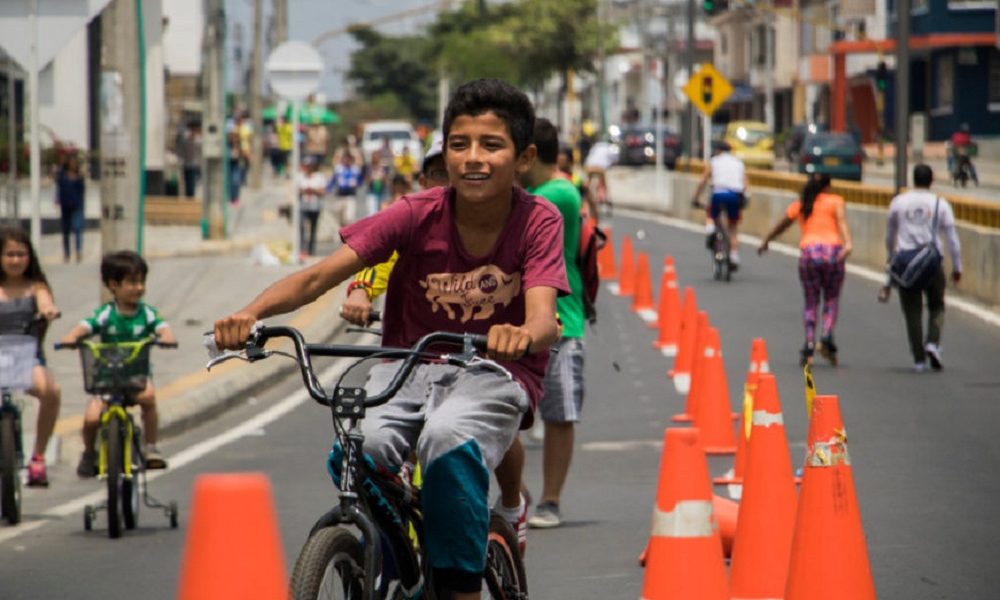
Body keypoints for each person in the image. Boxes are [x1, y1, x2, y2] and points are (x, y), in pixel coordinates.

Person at [214, 78, 566, 599]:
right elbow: (317, 277)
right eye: (459, 144)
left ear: (522, 157)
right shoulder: (414, 212)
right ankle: (397, 559)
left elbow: (544, 318)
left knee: (446, 439)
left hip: (495, 371)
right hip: (407, 367)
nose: (473, 158)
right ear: (443, 150)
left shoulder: (539, 219)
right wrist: (247, 315)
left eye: (491, 145)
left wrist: (520, 334)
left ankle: (459, 582)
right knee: (358, 448)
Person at [519, 118, 587, 530]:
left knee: (559, 414)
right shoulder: (530, 193)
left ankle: (550, 499)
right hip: (521, 319)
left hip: (563, 320)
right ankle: (520, 494)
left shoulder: (557, 195)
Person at [63, 251, 176, 476]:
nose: (139, 288)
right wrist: (71, 337)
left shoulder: (147, 314)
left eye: (141, 282)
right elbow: (86, 325)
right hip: (106, 379)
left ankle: (151, 446)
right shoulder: (106, 313)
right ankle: (88, 453)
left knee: (148, 398)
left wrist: (166, 338)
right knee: (92, 417)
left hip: (137, 377)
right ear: (113, 285)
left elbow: (163, 328)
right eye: (132, 282)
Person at [758, 173, 852, 366]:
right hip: (833, 254)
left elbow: (781, 225)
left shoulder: (801, 205)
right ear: (828, 186)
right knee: (831, 298)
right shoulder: (835, 201)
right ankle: (826, 333)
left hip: (809, 254)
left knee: (811, 301)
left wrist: (766, 241)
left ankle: (809, 341)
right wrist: (848, 243)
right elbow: (841, 222)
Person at [881, 164, 962, 372]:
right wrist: (957, 267)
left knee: (912, 312)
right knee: (936, 305)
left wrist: (891, 258)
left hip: (905, 264)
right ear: (931, 181)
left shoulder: (899, 202)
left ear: (913, 179)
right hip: (932, 263)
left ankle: (918, 359)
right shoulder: (939, 203)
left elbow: (889, 235)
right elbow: (952, 238)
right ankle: (933, 343)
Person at [0, 227, 62, 487]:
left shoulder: (36, 287)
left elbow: (46, 302)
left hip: (27, 355)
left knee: (51, 391)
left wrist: (48, 310)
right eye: (9, 254)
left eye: (21, 254)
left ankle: (38, 456)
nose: (15, 260)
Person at [691, 141, 750, 266]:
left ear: (718, 151)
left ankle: (711, 229)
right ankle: (734, 256)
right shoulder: (739, 163)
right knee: (732, 228)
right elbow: (746, 186)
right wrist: (744, 200)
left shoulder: (714, 161)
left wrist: (695, 198)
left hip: (718, 194)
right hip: (735, 195)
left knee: (711, 214)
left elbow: (702, 182)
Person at [55, 154, 86, 263]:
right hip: (65, 205)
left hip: (77, 205)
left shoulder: (80, 177)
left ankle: (78, 251)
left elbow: (82, 191)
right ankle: (67, 253)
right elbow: (58, 188)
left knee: (78, 228)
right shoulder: (62, 176)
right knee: (66, 230)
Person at [297, 157, 327, 258]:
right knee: (302, 227)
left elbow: (323, 192)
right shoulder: (300, 177)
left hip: (315, 206)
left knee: (313, 228)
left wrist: (314, 191)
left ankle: (311, 249)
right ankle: (302, 248)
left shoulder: (319, 177)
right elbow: (295, 190)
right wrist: (303, 191)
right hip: (303, 206)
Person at [327, 151, 362, 228]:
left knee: (349, 217)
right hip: (340, 195)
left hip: (350, 196)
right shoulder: (338, 169)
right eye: (345, 159)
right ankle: (341, 231)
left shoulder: (355, 169)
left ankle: (347, 234)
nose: (347, 161)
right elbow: (332, 180)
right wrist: (328, 189)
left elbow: (360, 181)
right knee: (338, 215)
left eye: (348, 159)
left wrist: (356, 183)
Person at [177, 121, 202, 198]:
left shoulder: (199, 139)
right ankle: (189, 200)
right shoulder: (186, 139)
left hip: (196, 165)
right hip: (187, 164)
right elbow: (180, 151)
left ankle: (191, 199)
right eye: (193, 129)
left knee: (192, 185)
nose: (194, 130)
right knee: (188, 185)